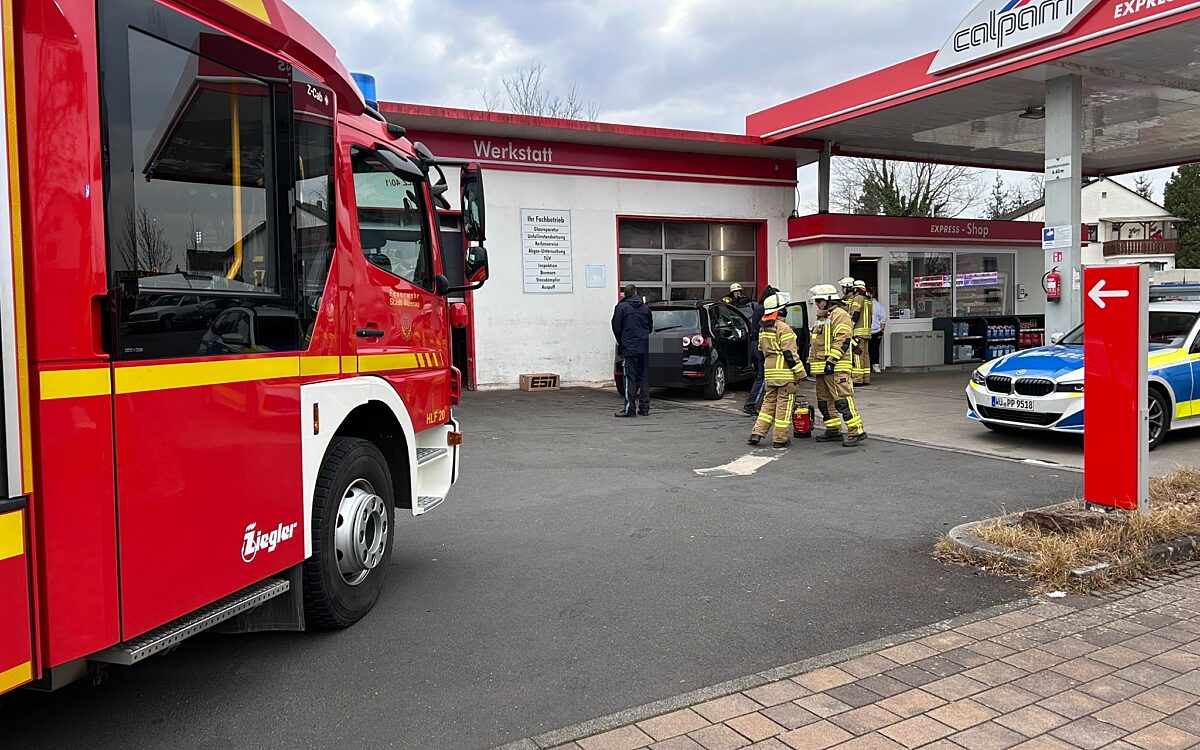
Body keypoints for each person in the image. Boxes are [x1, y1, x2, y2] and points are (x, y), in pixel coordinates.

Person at [808, 284, 867, 447]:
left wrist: (831, 361)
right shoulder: (823, 317)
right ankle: (833, 429)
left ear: (828, 300)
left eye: (819, 301)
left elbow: (843, 339)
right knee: (824, 401)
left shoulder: (840, 315)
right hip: (822, 368)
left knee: (843, 400)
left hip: (836, 366)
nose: (818, 304)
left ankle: (856, 431)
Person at [748, 293, 807, 449]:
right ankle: (780, 439)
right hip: (785, 375)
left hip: (771, 373)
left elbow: (761, 349)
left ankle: (757, 432)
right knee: (784, 407)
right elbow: (790, 354)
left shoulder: (763, 328)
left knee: (768, 404)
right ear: (781, 310)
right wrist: (801, 373)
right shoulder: (784, 328)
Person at [612, 284, 652, 418]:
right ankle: (645, 408)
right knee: (644, 378)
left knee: (629, 378)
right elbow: (650, 327)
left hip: (630, 348)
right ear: (635, 292)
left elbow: (616, 327)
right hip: (644, 347)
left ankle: (630, 409)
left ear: (625, 294)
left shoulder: (621, 307)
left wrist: (622, 342)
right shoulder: (645, 308)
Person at [742, 285, 778, 416]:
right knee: (762, 378)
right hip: (760, 344)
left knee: (760, 376)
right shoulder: (765, 309)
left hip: (754, 343)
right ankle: (751, 404)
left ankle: (757, 403)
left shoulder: (758, 307)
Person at [853, 280, 874, 385]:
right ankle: (866, 378)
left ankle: (857, 379)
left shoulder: (858, 298)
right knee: (866, 355)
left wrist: (850, 327)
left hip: (858, 332)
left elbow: (855, 314)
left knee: (858, 355)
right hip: (867, 332)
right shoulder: (869, 300)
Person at [869, 288, 887, 375]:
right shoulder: (863, 305)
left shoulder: (877, 306)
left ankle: (875, 365)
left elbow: (883, 318)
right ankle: (868, 367)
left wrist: (881, 330)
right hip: (865, 332)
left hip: (875, 331)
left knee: (875, 349)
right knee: (866, 351)